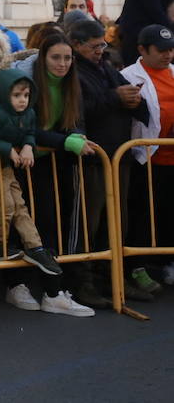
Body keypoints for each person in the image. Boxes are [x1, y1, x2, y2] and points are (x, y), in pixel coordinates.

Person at [0, 69, 93, 317]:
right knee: (5, 206)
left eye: (26, 94)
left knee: (20, 206)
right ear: (5, 94)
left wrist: (27, 146)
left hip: (6, 167)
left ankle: (35, 246)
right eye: (16, 95)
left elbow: (29, 133)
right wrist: (8, 149)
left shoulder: (29, 113)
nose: (22, 99)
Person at [68, 16, 148, 305]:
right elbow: (79, 109)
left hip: (118, 154)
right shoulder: (73, 71)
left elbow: (127, 92)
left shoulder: (107, 67)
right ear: (76, 45)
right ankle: (83, 281)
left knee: (117, 222)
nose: (100, 50)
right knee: (89, 222)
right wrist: (116, 98)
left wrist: (136, 99)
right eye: (94, 46)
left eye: (103, 44)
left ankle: (113, 276)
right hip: (92, 157)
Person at [122, 24, 174, 297]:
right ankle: (137, 267)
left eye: (171, 49)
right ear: (142, 49)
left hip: (172, 158)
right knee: (142, 214)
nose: (168, 55)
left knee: (170, 214)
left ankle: (166, 261)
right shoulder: (128, 76)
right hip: (145, 159)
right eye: (161, 50)